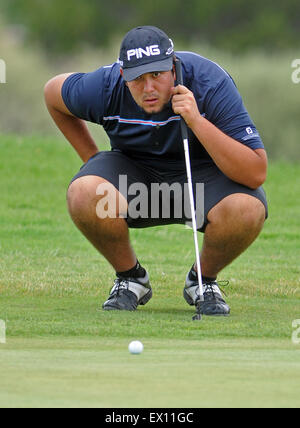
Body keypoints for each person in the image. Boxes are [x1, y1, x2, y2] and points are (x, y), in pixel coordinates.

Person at [44, 25, 268, 316]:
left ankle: (203, 281)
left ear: (173, 68)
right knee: (84, 192)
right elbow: (53, 94)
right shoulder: (106, 86)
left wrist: (196, 121)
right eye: (138, 78)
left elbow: (255, 172)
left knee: (247, 208)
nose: (149, 88)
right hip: (133, 174)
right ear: (123, 75)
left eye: (157, 75)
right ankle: (130, 279)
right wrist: (92, 160)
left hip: (200, 181)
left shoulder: (209, 82)